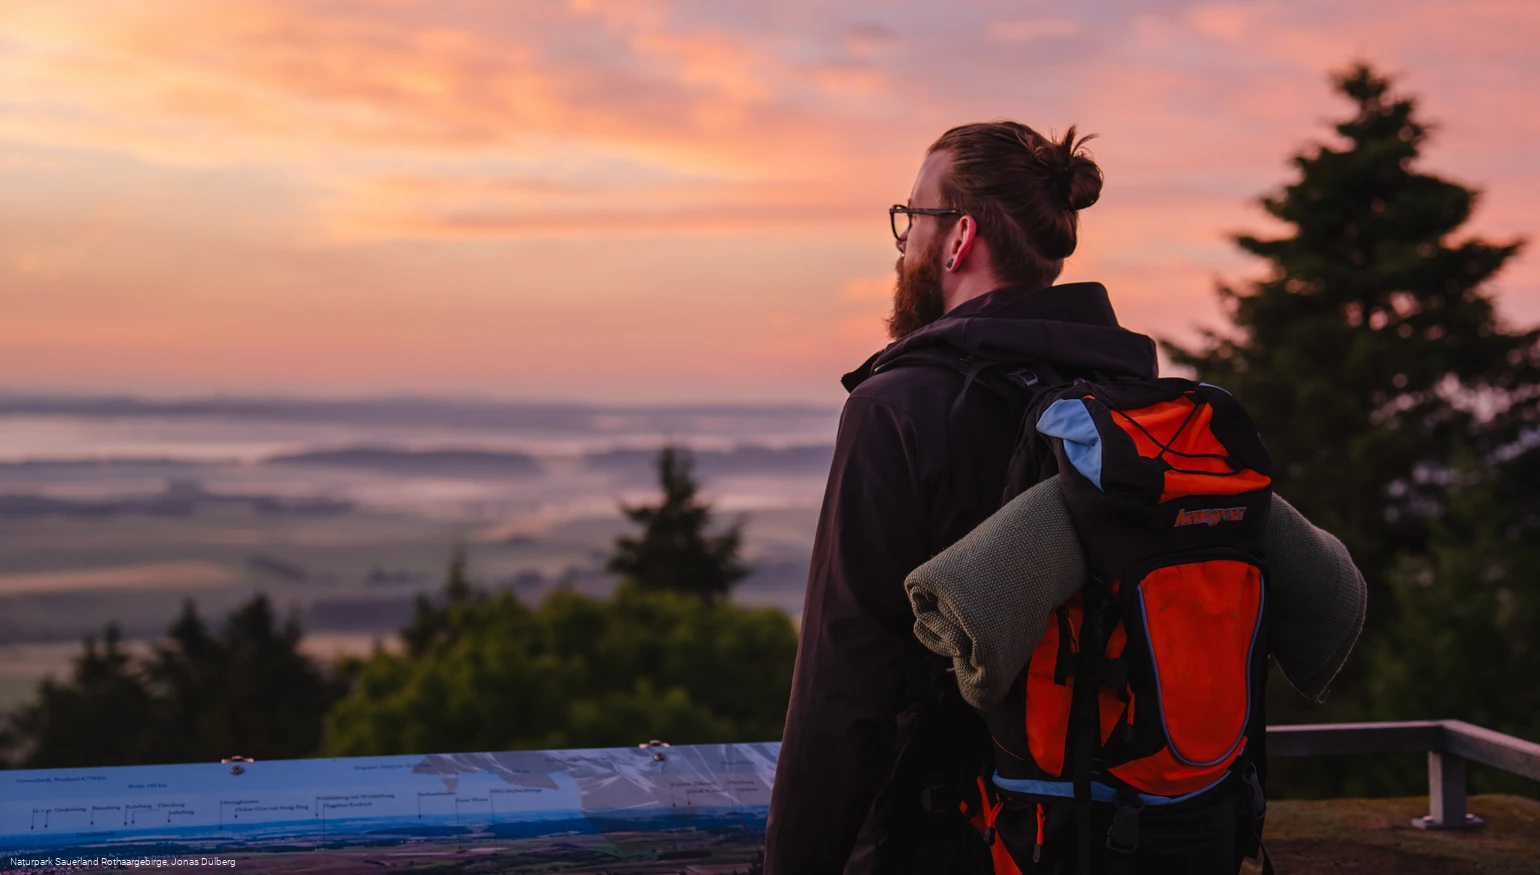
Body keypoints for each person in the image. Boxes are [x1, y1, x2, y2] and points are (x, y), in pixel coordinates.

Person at [765, 121, 1159, 874]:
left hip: (955, 841)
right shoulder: (1129, 402)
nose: (904, 240)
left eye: (914, 216)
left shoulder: (901, 407)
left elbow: (843, 688)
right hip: (1123, 833)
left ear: (959, 238)